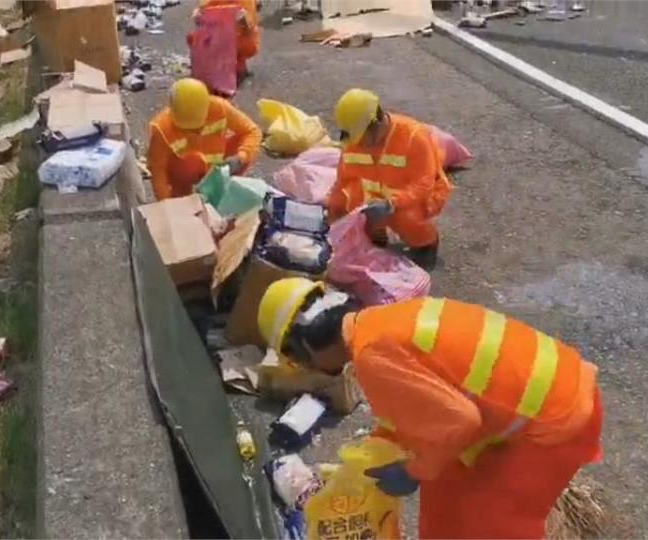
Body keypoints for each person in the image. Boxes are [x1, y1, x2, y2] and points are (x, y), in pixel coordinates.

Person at [257, 278, 604, 539]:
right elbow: (419, 408)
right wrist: (381, 448)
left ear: (306, 344)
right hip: (547, 392)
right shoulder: (379, 322)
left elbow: (462, 421)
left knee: (497, 523)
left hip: (554, 422)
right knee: (445, 488)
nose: (313, 372)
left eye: (301, 361)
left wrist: (413, 472)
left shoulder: (373, 357)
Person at [328, 88, 453, 270]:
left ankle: (425, 244)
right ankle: (375, 236)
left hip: (417, 196)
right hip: (380, 192)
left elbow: (423, 184)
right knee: (353, 206)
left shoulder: (413, 136)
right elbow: (343, 183)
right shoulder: (355, 141)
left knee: (406, 216)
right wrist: (334, 214)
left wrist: (391, 204)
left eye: (363, 137)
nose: (360, 144)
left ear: (376, 123)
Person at [147, 78, 262, 200]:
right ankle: (184, 198)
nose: (195, 133)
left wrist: (241, 157)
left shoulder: (219, 108)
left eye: (198, 128)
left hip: (215, 165)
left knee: (246, 150)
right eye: (188, 130)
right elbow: (158, 172)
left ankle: (224, 191)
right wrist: (167, 204)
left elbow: (252, 131)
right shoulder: (162, 128)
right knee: (188, 165)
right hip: (184, 174)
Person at [189, 0, 261, 80]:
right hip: (218, 34)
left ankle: (237, 65)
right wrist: (198, 15)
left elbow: (250, 24)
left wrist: (244, 20)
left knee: (241, 41)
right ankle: (216, 65)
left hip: (240, 37)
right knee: (194, 38)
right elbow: (203, 12)